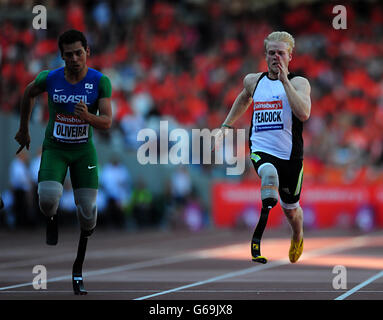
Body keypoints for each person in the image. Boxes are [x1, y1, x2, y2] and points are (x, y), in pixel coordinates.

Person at [14, 29, 112, 295]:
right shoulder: (51, 78)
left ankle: (77, 267)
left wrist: (88, 117)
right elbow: (27, 93)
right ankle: (52, 217)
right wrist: (24, 129)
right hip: (56, 148)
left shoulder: (100, 82)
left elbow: (107, 121)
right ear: (62, 56)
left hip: (83, 152)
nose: (74, 58)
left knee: (88, 212)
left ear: (87, 52)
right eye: (68, 55)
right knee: (46, 199)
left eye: (79, 53)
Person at [215, 31, 311, 264]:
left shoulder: (299, 83)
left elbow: (304, 113)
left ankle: (297, 234)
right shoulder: (253, 81)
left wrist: (284, 80)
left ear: (290, 56)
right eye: (271, 53)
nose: (275, 57)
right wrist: (226, 125)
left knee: (291, 210)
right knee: (268, 172)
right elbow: (244, 97)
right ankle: (263, 220)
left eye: (281, 53)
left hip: (290, 156)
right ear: (265, 55)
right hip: (261, 148)